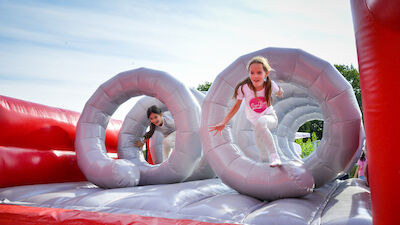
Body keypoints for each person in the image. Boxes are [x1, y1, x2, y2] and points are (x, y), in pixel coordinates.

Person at [209, 56, 284, 167]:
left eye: (259, 72)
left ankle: (275, 157)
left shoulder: (270, 85)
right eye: (252, 73)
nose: (255, 76)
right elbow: (236, 106)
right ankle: (267, 169)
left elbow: (279, 93)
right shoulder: (244, 88)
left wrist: (279, 91)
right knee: (262, 152)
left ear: (266, 73)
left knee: (261, 122)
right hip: (256, 124)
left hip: (270, 117)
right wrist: (224, 122)